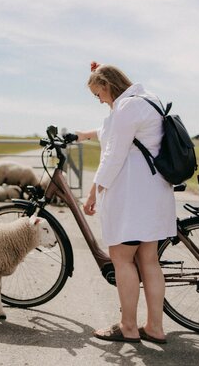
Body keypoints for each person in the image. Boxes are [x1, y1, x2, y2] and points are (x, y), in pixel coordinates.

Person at [76, 61, 175, 344]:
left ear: (107, 85)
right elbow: (117, 133)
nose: (99, 100)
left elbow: (113, 154)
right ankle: (155, 327)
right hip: (155, 192)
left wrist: (94, 191)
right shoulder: (147, 99)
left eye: (98, 94)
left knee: (121, 259)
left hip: (133, 194)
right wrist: (87, 133)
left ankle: (128, 327)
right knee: (149, 260)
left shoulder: (126, 107)